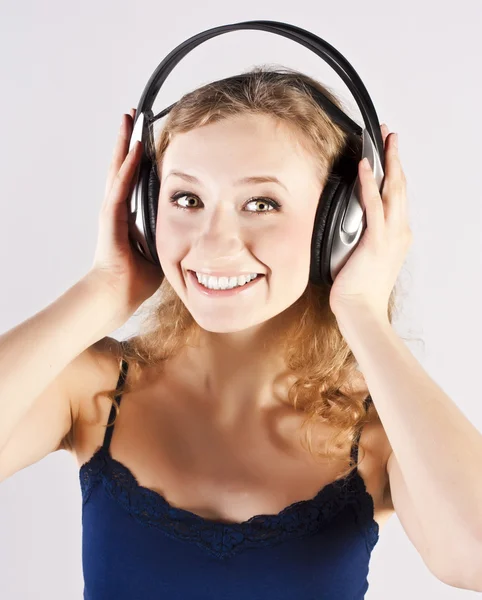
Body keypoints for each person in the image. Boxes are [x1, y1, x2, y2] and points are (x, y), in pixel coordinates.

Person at [1, 67, 481, 599]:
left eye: (262, 204)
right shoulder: (92, 390)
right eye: (186, 199)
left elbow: (473, 557)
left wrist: (363, 310)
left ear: (343, 226)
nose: (213, 243)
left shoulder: (379, 433)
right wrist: (102, 288)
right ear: (145, 207)